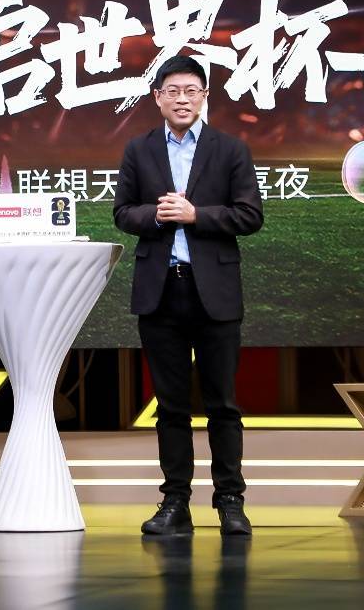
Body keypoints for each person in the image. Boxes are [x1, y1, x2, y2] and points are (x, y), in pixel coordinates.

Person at [113, 55, 264, 536]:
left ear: (204, 97)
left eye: (191, 91)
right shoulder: (139, 149)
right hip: (161, 292)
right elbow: (122, 212)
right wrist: (157, 216)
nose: (182, 99)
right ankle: (175, 501)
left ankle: (231, 501)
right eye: (173, 91)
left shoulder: (230, 149)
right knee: (171, 405)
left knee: (222, 403)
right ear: (157, 97)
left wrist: (197, 215)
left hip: (214, 291)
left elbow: (250, 215)